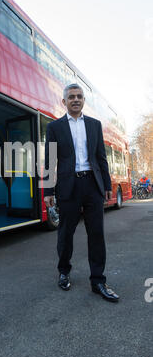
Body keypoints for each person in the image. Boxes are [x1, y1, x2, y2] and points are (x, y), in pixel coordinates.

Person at [44, 84, 119, 303]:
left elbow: (101, 158)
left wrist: (106, 185)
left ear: (83, 100)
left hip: (92, 186)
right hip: (68, 187)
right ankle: (64, 270)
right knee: (66, 233)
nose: (75, 100)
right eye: (71, 97)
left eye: (79, 96)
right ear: (64, 102)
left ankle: (98, 280)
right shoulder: (55, 127)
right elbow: (50, 159)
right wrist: (48, 190)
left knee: (97, 234)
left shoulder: (95, 125)